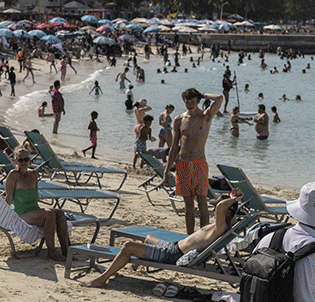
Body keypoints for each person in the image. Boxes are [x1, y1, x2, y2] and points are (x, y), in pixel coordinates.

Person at [83, 189, 244, 288]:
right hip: (173, 247)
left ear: (227, 212)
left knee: (128, 246)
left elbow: (220, 207)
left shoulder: (221, 228)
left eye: (221, 209)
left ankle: (102, 279)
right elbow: (224, 208)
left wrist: (234, 200)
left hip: (173, 255)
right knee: (148, 238)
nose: (215, 210)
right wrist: (233, 199)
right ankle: (132, 266)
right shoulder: (224, 224)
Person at [166, 87, 223, 234]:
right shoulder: (179, 120)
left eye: (192, 101)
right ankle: (190, 237)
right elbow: (174, 147)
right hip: (183, 164)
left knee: (203, 204)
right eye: (187, 102)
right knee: (188, 205)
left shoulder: (206, 116)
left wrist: (202, 94)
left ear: (198, 101)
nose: (190, 104)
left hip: (199, 164)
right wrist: (166, 170)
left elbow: (219, 98)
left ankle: (203, 237)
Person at [4, 148, 71, 262]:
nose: (23, 162)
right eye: (20, 160)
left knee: (60, 213)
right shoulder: (13, 175)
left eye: (26, 159)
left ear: (30, 160)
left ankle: (67, 252)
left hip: (34, 210)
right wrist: (1, 215)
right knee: (49, 213)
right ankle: (52, 252)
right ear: (15, 161)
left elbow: (35, 195)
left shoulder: (34, 174)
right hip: (21, 213)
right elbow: (9, 197)